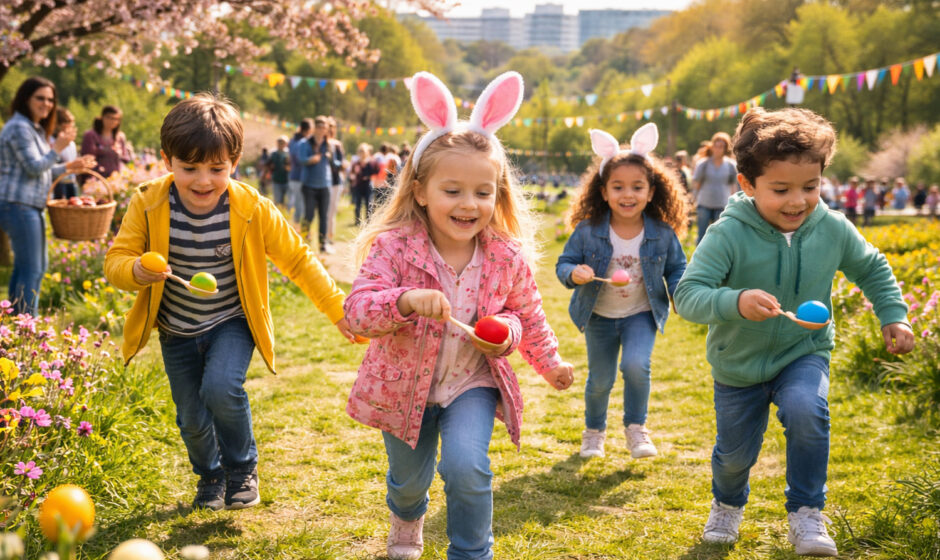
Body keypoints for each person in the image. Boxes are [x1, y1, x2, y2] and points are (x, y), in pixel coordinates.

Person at [344, 71, 574, 560]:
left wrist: (538, 354)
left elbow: (524, 313)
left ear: (497, 194)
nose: (469, 204)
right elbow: (358, 312)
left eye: (483, 192)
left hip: (471, 381)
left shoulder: (504, 256)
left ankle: (472, 552)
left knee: (468, 467)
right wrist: (403, 301)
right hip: (403, 385)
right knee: (410, 481)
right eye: (453, 191)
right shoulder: (393, 248)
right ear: (422, 191)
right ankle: (407, 516)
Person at [674, 107, 914, 557]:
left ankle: (806, 512)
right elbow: (688, 295)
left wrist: (893, 314)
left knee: (808, 412)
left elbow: (873, 268)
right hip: (738, 363)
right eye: (780, 189)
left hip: (805, 350)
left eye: (810, 187)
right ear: (747, 185)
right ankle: (727, 503)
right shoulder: (728, 234)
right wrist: (736, 301)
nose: (797, 201)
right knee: (734, 456)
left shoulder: (833, 227)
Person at [104, 93, 357, 512]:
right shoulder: (147, 202)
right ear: (168, 160)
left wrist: (337, 308)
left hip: (231, 321)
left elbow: (296, 258)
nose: (203, 180)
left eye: (217, 169)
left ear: (234, 162)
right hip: (177, 330)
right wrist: (135, 271)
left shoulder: (250, 207)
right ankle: (210, 477)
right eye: (190, 168)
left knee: (222, 387)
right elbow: (116, 261)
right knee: (191, 418)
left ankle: (242, 469)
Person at [556, 124, 689, 460]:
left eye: (636, 187)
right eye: (618, 187)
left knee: (635, 365)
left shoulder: (661, 233)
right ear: (603, 192)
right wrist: (575, 272)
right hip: (599, 315)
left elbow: (677, 269)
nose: (627, 194)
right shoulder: (588, 232)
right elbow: (564, 263)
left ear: (650, 191)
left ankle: (635, 429)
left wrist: (680, 294)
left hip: (640, 314)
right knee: (600, 379)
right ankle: (594, 433)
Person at [0, 76, 95, 316]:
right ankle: (26, 325)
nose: (47, 104)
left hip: (28, 205)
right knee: (33, 268)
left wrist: (69, 167)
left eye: (50, 99)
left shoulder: (32, 128)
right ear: (26, 99)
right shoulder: (19, 128)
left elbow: (40, 169)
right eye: (40, 98)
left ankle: (14, 320)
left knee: (28, 267)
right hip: (18, 204)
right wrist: (57, 149)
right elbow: (34, 167)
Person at [692, 131, 738, 244]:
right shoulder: (703, 164)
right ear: (712, 147)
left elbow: (733, 185)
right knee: (701, 235)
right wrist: (693, 199)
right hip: (704, 204)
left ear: (725, 148)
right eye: (716, 146)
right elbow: (696, 183)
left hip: (722, 205)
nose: (718, 149)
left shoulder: (731, 165)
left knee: (720, 236)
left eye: (721, 147)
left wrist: (734, 203)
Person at [298, 116, 335, 254]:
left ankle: (322, 245)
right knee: (308, 215)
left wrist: (335, 161)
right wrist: (311, 159)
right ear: (315, 128)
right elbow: (301, 159)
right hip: (309, 185)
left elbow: (335, 163)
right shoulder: (305, 143)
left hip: (325, 184)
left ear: (326, 130)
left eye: (324, 127)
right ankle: (304, 243)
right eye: (319, 127)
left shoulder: (330, 145)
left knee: (324, 216)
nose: (321, 130)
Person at [81, 105, 133, 179]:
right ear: (102, 117)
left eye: (116, 119)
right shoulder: (91, 135)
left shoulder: (120, 137)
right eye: (109, 117)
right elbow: (87, 159)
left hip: (116, 178)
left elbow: (125, 158)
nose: (112, 121)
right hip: (95, 179)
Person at [325, 117, 345, 251]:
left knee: (331, 211)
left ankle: (329, 236)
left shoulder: (337, 145)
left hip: (334, 180)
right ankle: (322, 237)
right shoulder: (320, 143)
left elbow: (341, 163)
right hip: (322, 181)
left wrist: (332, 160)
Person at [50, 107, 79, 200]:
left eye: (71, 123)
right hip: (58, 184)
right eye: (66, 123)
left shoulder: (72, 144)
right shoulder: (51, 141)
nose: (71, 126)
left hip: (71, 182)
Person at [287, 119, 311, 224]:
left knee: (295, 204)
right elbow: (299, 160)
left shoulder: (293, 140)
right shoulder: (301, 143)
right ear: (309, 130)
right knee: (300, 207)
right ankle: (298, 230)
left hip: (293, 176)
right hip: (299, 177)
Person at [349, 142, 377, 226]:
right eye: (360, 151)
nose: (362, 153)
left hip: (368, 185)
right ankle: (357, 221)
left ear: (367, 152)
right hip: (358, 185)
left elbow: (376, 171)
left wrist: (368, 176)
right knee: (358, 204)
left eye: (363, 151)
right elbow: (352, 173)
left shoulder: (371, 162)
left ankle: (369, 221)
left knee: (369, 204)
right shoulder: (356, 163)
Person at [268, 136, 290, 206]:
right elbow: (268, 165)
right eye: (279, 143)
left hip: (287, 180)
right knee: (277, 201)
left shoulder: (288, 153)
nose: (281, 144)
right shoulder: (273, 153)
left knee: (287, 202)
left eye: (283, 143)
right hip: (276, 180)